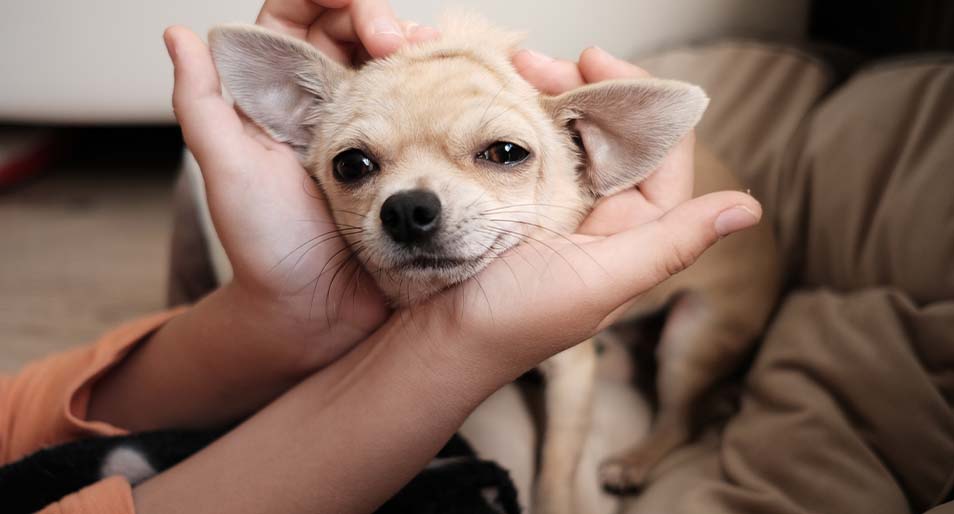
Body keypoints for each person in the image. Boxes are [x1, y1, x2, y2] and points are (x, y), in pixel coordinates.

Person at [0, 0, 762, 512]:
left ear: (593, 152)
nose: (411, 202)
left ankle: (673, 431)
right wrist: (299, 303)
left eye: (499, 152)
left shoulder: (576, 185)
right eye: (359, 166)